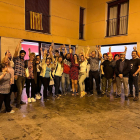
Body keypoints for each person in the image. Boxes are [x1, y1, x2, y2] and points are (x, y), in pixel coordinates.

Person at [13, 40, 26, 109]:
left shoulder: (23, 61)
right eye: (22, 54)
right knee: (20, 89)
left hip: (23, 76)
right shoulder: (16, 59)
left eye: (23, 54)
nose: (22, 55)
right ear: (20, 54)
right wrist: (19, 43)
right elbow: (16, 51)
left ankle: (19, 100)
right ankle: (18, 103)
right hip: (18, 76)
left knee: (21, 90)